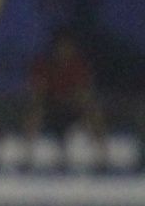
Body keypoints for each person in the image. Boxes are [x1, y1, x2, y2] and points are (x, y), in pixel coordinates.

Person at [23, 30, 109, 172]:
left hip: (72, 109)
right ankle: (26, 158)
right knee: (34, 115)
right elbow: (37, 91)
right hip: (50, 109)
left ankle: (102, 158)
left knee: (94, 115)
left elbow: (84, 93)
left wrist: (77, 102)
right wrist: (44, 97)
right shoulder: (44, 65)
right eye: (61, 47)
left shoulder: (79, 66)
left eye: (67, 47)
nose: (64, 50)